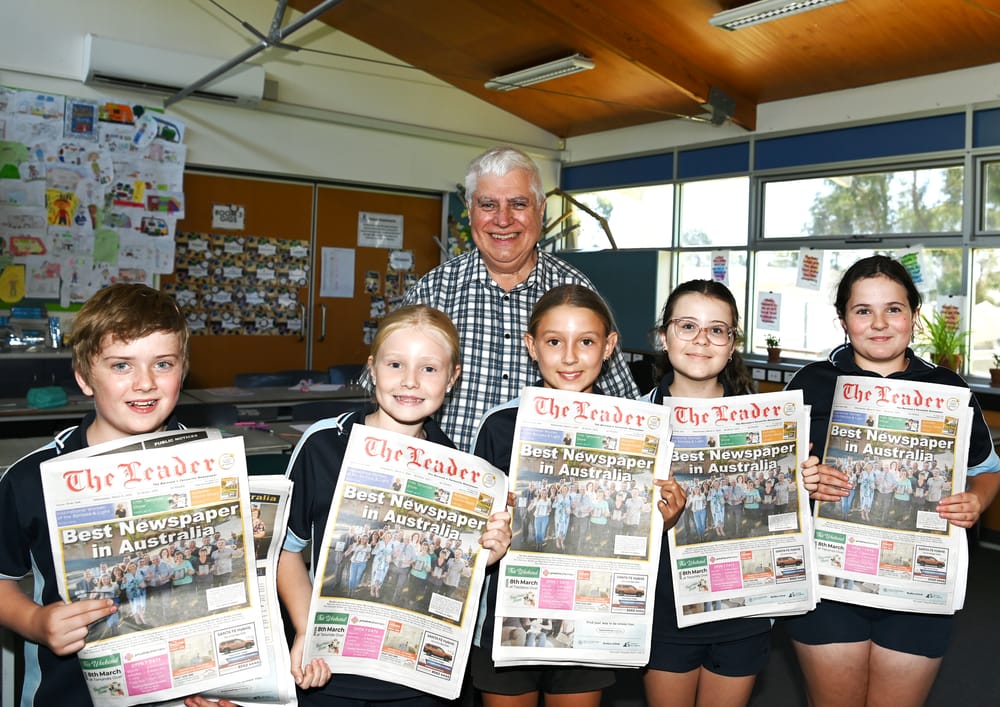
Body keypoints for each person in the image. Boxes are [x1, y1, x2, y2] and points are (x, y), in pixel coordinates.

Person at [783, 255, 1000, 707]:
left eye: (894, 309)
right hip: (828, 585)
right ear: (843, 320)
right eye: (863, 310)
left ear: (914, 316)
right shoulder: (811, 382)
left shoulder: (950, 388)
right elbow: (772, 474)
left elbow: (987, 470)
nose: (879, 323)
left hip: (918, 586)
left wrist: (976, 503)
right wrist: (804, 480)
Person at [277, 304, 512, 706]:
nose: (410, 382)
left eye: (429, 369)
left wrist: (487, 555)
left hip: (418, 678)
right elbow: (286, 550)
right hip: (331, 671)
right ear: (372, 368)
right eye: (396, 364)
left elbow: (452, 572)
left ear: (453, 377)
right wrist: (304, 630)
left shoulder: (461, 468)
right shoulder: (324, 444)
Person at [0, 283, 189, 706]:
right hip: (71, 694)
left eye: (163, 363)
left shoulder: (213, 460)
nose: (144, 383)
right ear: (85, 377)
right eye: (121, 366)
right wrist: (34, 620)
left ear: (182, 371)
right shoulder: (32, 478)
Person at [377, 146, 638, 451]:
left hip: (546, 485)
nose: (503, 220)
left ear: (540, 210)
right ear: (470, 210)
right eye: (488, 204)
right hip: (447, 486)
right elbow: (386, 394)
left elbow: (625, 404)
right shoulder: (432, 293)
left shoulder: (575, 291)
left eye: (518, 204)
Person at [470, 284, 627, 707]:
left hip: (589, 614)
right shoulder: (500, 425)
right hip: (507, 613)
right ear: (531, 346)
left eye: (587, 342)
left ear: (608, 346)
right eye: (554, 342)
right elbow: (471, 526)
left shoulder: (631, 426)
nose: (570, 357)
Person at [642, 280, 771, 707]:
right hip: (664, 611)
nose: (702, 340)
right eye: (687, 326)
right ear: (663, 337)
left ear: (733, 343)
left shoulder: (765, 425)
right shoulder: (632, 422)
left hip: (742, 611)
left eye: (718, 330)